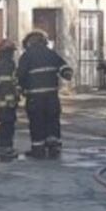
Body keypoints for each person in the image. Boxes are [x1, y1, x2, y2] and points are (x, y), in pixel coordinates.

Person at [17, 30, 73, 159]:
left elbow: (20, 75)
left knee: (37, 122)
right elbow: (64, 68)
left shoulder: (26, 56)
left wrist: (19, 90)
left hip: (34, 98)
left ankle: (38, 149)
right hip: (52, 97)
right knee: (52, 121)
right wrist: (67, 74)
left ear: (29, 43)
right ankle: (54, 147)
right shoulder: (51, 54)